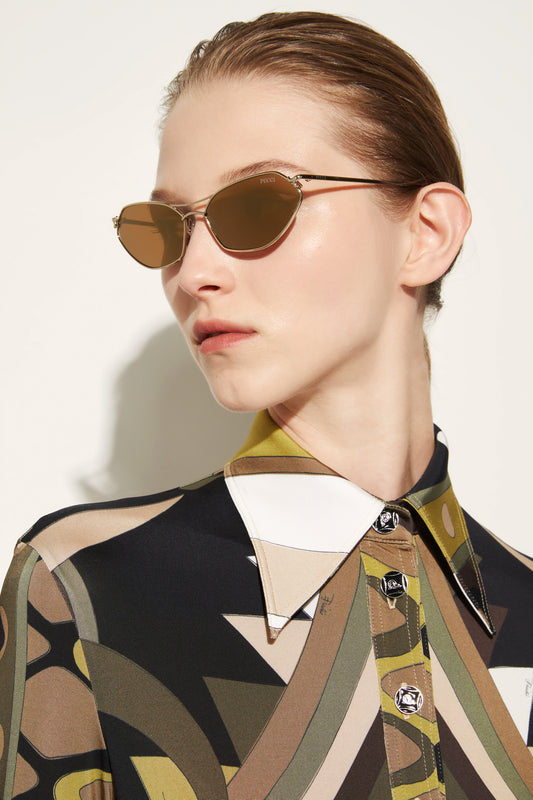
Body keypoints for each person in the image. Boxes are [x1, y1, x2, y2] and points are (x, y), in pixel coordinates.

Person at [0, 10, 531, 800]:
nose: (194, 274)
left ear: (425, 232)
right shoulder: (83, 586)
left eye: (256, 206)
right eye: (168, 229)